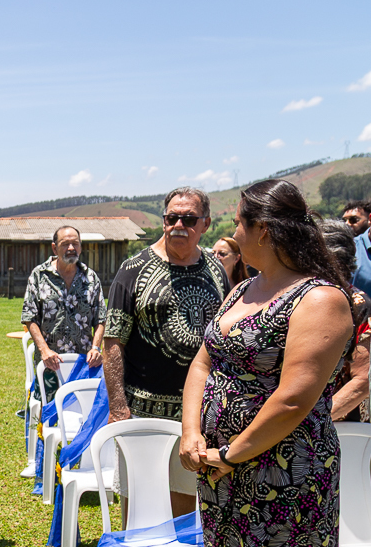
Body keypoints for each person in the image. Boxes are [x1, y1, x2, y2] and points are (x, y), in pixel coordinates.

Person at [165, 179, 353, 547]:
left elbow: (295, 397)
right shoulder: (240, 289)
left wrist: (230, 453)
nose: (231, 234)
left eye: (239, 224)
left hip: (286, 470)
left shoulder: (320, 299)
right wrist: (192, 432)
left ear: (264, 230)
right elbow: (203, 364)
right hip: (220, 463)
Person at [245, 217, 371, 547]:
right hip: (286, 425)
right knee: (282, 517)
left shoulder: (357, 306)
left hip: (336, 428)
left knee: (339, 518)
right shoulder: (291, 296)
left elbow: (363, 377)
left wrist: (316, 412)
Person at [103, 186, 228, 520]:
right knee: (139, 501)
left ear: (206, 223)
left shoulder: (216, 271)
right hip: (143, 410)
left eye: (188, 219)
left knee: (185, 500)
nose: (178, 225)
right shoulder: (133, 270)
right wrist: (118, 407)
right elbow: (113, 341)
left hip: (197, 414)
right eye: (171, 217)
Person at [20, 225, 106, 399]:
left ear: (81, 247)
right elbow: (29, 317)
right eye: (65, 244)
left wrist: (96, 347)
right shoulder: (39, 275)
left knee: (81, 415)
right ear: (54, 247)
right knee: (48, 414)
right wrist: (44, 350)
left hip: (83, 365)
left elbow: (101, 318)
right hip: (50, 365)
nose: (71, 248)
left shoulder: (90, 278)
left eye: (75, 243)